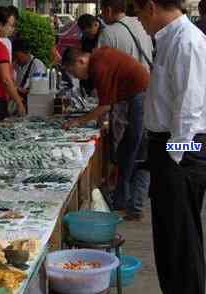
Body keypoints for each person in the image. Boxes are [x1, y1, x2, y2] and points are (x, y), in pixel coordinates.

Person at [134, 0, 206, 291]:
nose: (138, 20)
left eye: (138, 13)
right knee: (168, 240)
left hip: (182, 152)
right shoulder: (168, 40)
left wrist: (174, 159)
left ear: (151, 7)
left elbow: (190, 109)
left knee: (180, 242)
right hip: (168, 148)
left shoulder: (187, 41)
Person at [61, 47, 150, 219]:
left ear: (81, 61)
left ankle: (134, 206)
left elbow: (105, 106)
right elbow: (107, 101)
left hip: (140, 95)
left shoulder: (99, 66)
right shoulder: (99, 58)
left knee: (136, 152)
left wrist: (78, 121)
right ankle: (123, 200)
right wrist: (100, 123)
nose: (76, 77)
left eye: (74, 72)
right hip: (136, 95)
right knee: (131, 149)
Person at [98, 0, 153, 220]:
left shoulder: (109, 33)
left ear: (109, 10)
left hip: (125, 100)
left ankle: (121, 199)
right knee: (143, 150)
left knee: (124, 150)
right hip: (148, 94)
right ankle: (136, 203)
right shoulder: (141, 25)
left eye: (103, 11)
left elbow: (102, 73)